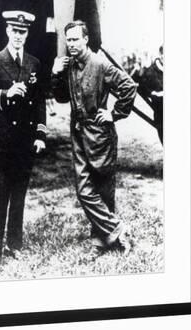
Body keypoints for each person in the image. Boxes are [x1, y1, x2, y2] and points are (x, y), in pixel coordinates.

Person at [51, 20, 136, 253]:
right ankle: (117, 229)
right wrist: (55, 74)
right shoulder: (68, 66)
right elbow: (59, 97)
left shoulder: (100, 64)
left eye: (76, 39)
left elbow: (129, 87)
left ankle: (102, 241)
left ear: (86, 39)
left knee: (103, 188)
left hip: (99, 134)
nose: (72, 44)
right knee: (84, 190)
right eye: (68, 40)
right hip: (78, 133)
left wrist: (114, 113)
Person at [0, 11, 47, 270]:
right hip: (3, 140)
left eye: (23, 32)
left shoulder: (34, 63)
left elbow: (39, 101)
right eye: (15, 31)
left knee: (19, 195)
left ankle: (14, 245)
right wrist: (6, 94)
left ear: (27, 34)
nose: (19, 36)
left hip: (25, 141)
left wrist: (40, 134)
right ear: (8, 31)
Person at [138, 46, 163, 143]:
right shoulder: (150, 71)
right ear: (161, 55)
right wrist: (153, 94)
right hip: (161, 114)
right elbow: (142, 87)